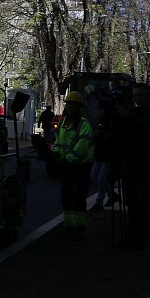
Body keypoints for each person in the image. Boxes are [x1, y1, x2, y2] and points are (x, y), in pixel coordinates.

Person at [122, 84, 150, 249]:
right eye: (134, 96)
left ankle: (142, 234)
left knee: (143, 199)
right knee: (131, 200)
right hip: (131, 162)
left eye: (139, 96)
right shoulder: (133, 112)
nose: (136, 99)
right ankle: (133, 232)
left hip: (146, 162)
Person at [52, 91, 94, 239]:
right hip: (68, 167)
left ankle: (79, 226)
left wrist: (66, 160)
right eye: (68, 104)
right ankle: (69, 225)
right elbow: (58, 142)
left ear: (79, 107)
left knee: (78, 197)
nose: (69, 108)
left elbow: (81, 148)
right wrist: (55, 153)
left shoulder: (84, 125)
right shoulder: (63, 122)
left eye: (73, 105)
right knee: (66, 197)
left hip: (81, 167)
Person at [89, 100, 120, 212]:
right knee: (94, 176)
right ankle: (112, 194)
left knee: (101, 179)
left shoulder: (112, 121)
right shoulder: (100, 121)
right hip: (99, 153)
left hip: (107, 155)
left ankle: (99, 202)